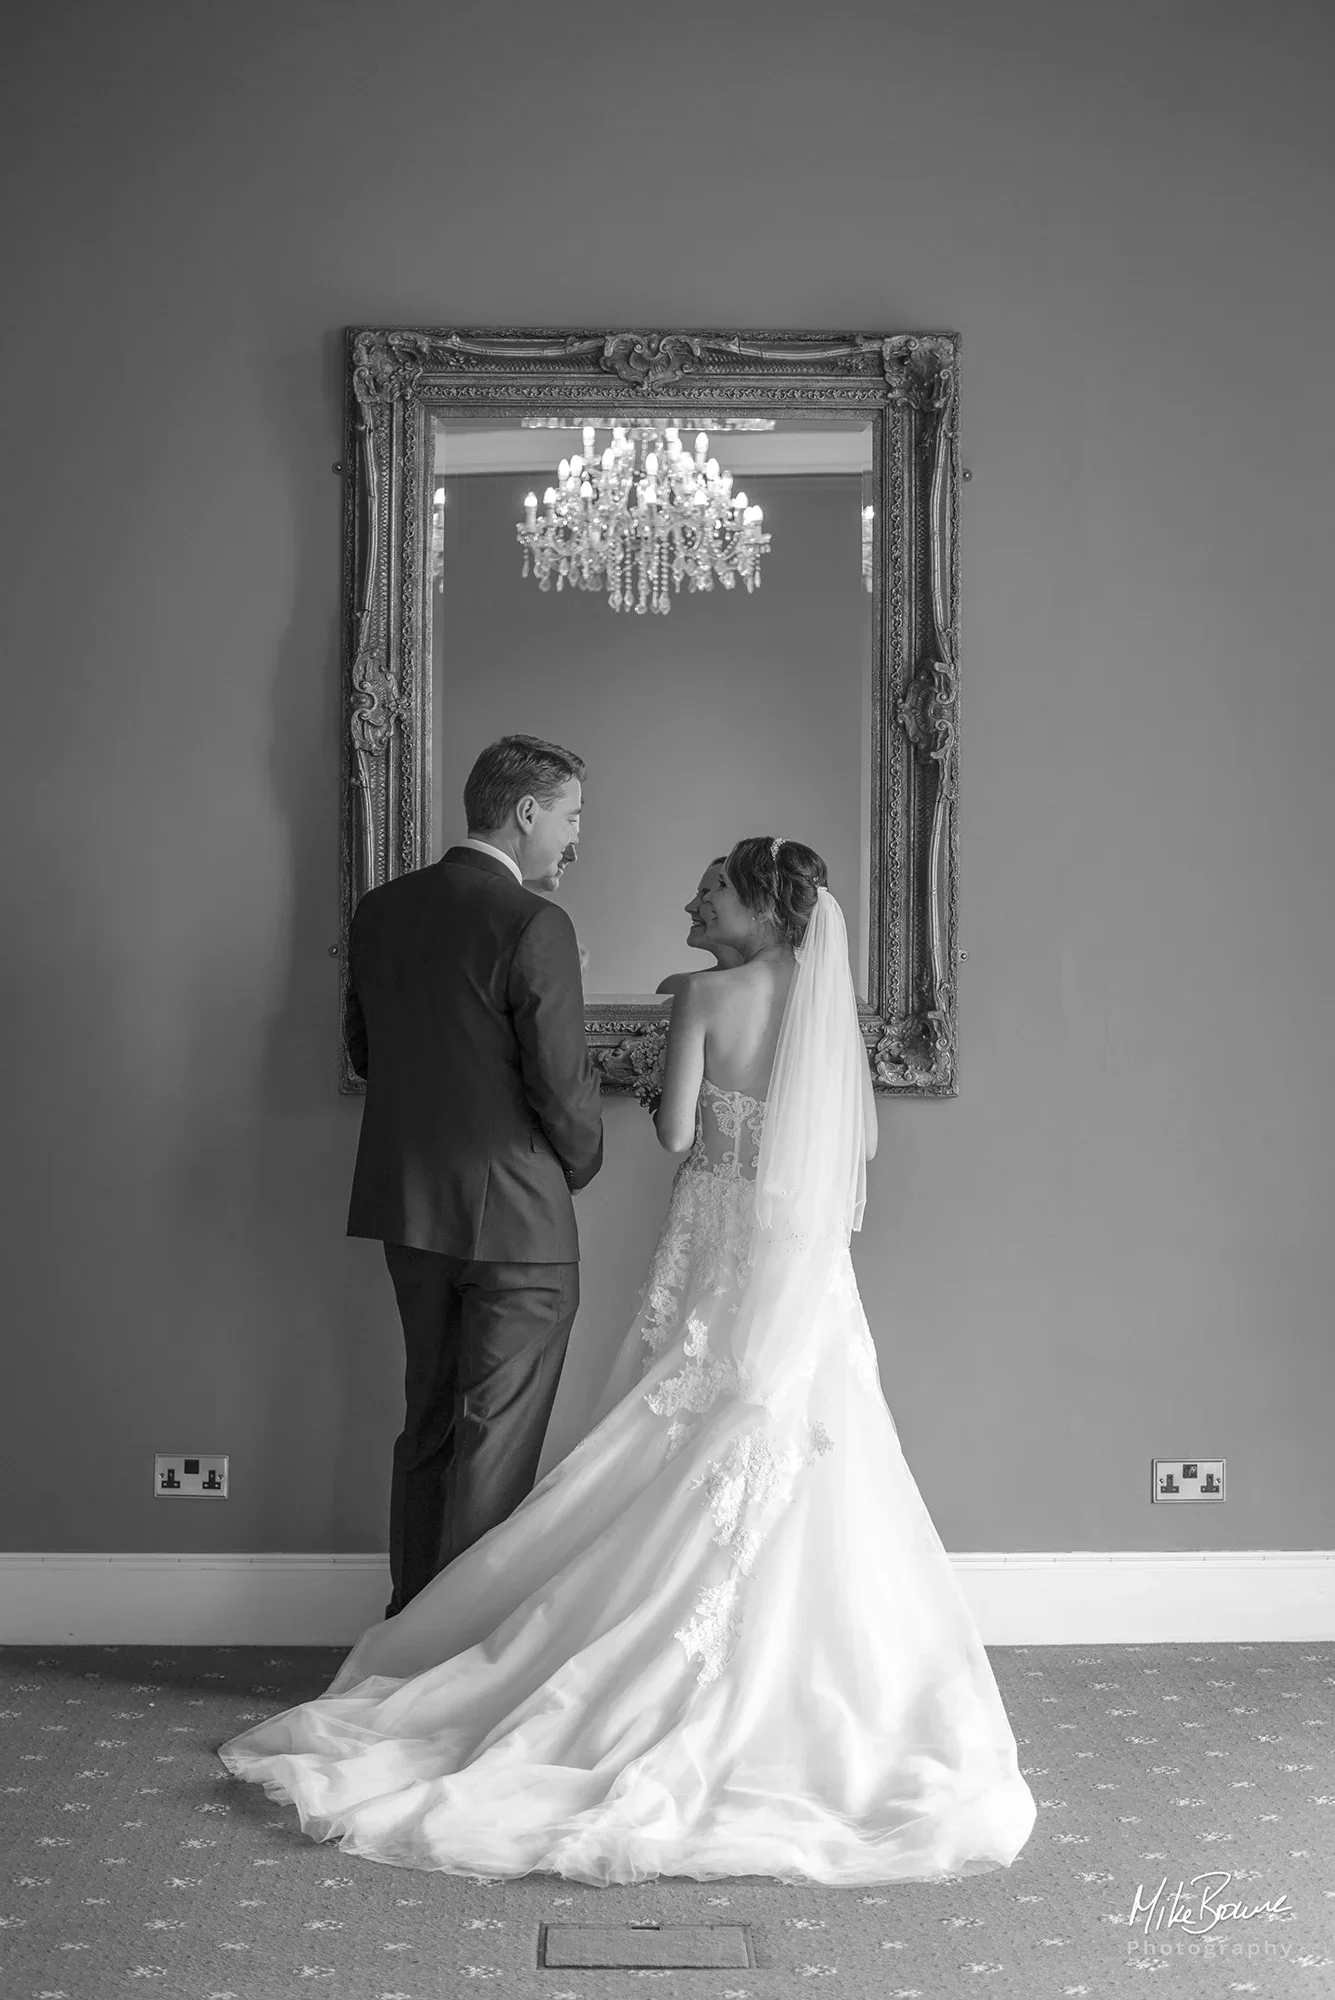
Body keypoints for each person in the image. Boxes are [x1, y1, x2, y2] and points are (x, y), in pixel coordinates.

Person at [220, 837, 1036, 1885]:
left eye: (713, 889)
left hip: (718, 1252)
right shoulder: (831, 1006)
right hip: (804, 1272)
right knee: (817, 1453)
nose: (694, 899)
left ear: (758, 907)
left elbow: (677, 1130)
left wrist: (672, 1066)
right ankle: (816, 1687)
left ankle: (533, 1651)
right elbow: (856, 1148)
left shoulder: (699, 993)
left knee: (672, 1434)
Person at [341, 733, 603, 1622]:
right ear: (527, 812)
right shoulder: (535, 924)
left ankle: (402, 1633)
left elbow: (365, 1052)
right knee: (494, 1441)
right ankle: (447, 1657)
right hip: (519, 1222)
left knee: (429, 1425)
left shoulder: (380, 910)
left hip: (408, 1209)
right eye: (570, 817)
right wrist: (580, 1164)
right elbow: (562, 1088)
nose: (573, 838)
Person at [655, 855, 742, 998]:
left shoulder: (789, 988)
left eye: (707, 895)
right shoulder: (675, 988)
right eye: (698, 895)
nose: (689, 907)